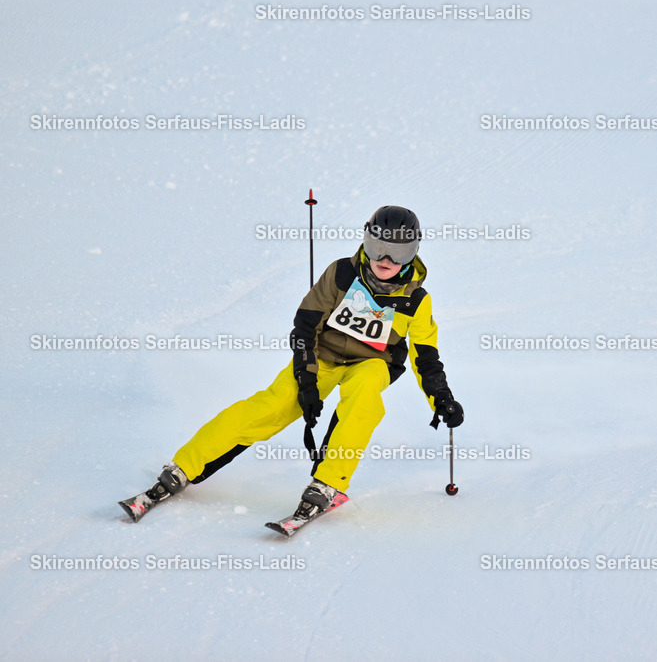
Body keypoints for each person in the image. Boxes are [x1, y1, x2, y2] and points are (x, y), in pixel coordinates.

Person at [125, 205, 464, 523]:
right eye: (377, 247)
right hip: (321, 356)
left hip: (372, 363)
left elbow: (426, 356)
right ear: (366, 240)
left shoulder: (415, 300)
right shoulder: (342, 274)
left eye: (398, 252)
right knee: (274, 405)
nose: (385, 259)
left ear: (413, 253)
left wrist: (441, 397)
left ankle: (328, 483)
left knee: (365, 399)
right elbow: (305, 326)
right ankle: (185, 465)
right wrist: (306, 377)